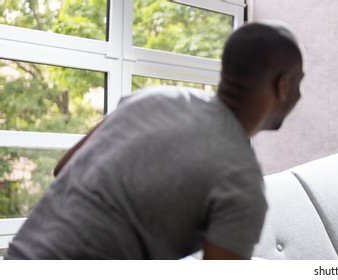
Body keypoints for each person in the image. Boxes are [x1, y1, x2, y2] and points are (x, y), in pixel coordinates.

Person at [4, 22, 304, 260]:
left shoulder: (153, 97)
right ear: (283, 85)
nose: (300, 95)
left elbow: (64, 169)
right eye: (299, 82)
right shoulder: (242, 181)